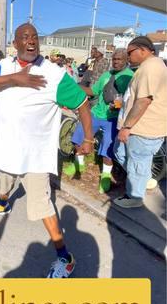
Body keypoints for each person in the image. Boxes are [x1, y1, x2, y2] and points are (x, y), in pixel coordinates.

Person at [0, 23, 93, 278]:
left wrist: (88, 139)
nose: (31, 41)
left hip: (35, 157)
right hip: (6, 148)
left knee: (42, 205)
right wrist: (13, 79)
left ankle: (65, 257)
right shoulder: (5, 66)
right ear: (15, 43)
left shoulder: (54, 74)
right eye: (24, 37)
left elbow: (83, 104)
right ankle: (3, 203)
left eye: (35, 37)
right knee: (4, 179)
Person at [64, 49, 134, 193]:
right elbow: (93, 91)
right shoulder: (106, 75)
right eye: (114, 59)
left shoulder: (130, 77)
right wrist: (74, 86)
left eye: (120, 59)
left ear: (126, 60)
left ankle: (106, 176)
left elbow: (132, 99)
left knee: (107, 148)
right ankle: (79, 164)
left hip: (113, 118)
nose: (116, 61)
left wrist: (121, 105)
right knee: (78, 137)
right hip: (96, 113)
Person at [113, 36, 167, 208]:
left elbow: (144, 100)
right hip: (139, 127)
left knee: (137, 161)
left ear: (143, 50)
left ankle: (134, 197)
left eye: (130, 52)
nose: (128, 56)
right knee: (122, 153)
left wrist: (127, 126)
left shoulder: (151, 68)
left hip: (143, 128)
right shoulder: (149, 67)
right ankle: (142, 180)